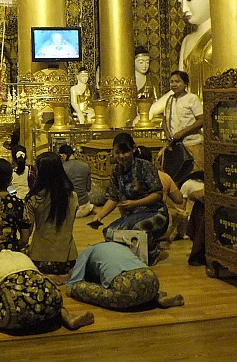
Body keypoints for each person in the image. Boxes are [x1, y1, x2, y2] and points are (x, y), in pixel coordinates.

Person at [0, 249, 93, 333]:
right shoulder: (20, 255)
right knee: (43, 295)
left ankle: (27, 321)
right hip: (53, 297)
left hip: (18, 307)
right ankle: (67, 317)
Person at [89, 132, 169, 265]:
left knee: (136, 228)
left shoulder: (145, 166)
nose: (121, 156)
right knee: (109, 232)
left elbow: (157, 195)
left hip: (154, 212)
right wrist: (99, 216)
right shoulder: (116, 171)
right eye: (117, 152)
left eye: (125, 151)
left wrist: (134, 203)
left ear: (133, 149)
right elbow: (113, 197)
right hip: (132, 214)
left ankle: (152, 252)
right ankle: (127, 257)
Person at [66, 241, 185, 311]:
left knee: (78, 287)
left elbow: (73, 283)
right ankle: (158, 298)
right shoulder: (120, 247)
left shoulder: (88, 251)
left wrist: (71, 286)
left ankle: (150, 300)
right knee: (140, 288)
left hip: (125, 285)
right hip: (151, 278)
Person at [24, 152, 78, 278]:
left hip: (40, 260)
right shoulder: (72, 196)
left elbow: (28, 230)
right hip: (68, 260)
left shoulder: (35, 198)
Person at [163, 70, 205, 179]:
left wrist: (182, 132)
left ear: (185, 83)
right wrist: (167, 132)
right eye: (171, 82)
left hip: (192, 144)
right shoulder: (169, 99)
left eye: (177, 81)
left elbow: (201, 120)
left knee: (194, 177)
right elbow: (164, 120)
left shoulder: (192, 98)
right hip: (176, 147)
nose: (174, 84)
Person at [59, 144, 93, 217]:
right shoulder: (85, 166)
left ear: (63, 155)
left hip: (68, 208)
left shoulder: (62, 168)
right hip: (84, 206)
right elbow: (88, 188)